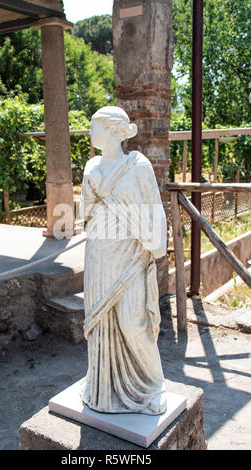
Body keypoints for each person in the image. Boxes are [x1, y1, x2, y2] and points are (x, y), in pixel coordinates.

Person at [79, 106, 167, 415]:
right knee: (102, 323)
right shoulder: (91, 166)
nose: (91, 133)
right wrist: (91, 193)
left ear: (115, 131)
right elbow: (84, 216)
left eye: (95, 128)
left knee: (132, 323)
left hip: (130, 255)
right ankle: (104, 387)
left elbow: (153, 209)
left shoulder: (138, 165)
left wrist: (156, 245)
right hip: (99, 256)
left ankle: (153, 385)